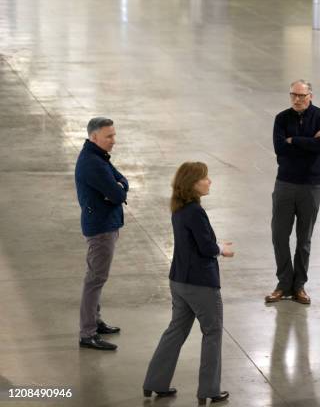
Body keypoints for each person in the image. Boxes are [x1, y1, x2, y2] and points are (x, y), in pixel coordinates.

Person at [143, 162, 232, 404]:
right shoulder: (195, 211)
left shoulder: (179, 209)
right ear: (192, 184)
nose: (209, 181)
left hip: (179, 280)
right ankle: (209, 390)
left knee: (175, 331)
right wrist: (221, 249)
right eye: (205, 178)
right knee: (212, 333)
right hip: (201, 284)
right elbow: (205, 248)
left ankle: (155, 383)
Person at [266, 79, 320, 305]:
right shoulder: (281, 118)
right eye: (293, 94)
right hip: (285, 184)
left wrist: (293, 140)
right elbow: (279, 148)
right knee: (279, 236)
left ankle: (299, 285)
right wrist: (308, 142)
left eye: (301, 96)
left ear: (310, 96)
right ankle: (283, 283)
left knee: (304, 239)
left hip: (311, 186)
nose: (296, 99)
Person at [75, 117, 128, 351]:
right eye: (109, 136)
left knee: (96, 277)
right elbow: (117, 195)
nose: (113, 140)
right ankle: (87, 333)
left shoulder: (98, 157)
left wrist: (118, 188)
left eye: (114, 135)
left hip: (106, 223)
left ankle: (95, 322)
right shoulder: (93, 163)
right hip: (101, 228)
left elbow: (122, 182)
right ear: (94, 137)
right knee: (95, 279)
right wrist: (116, 191)